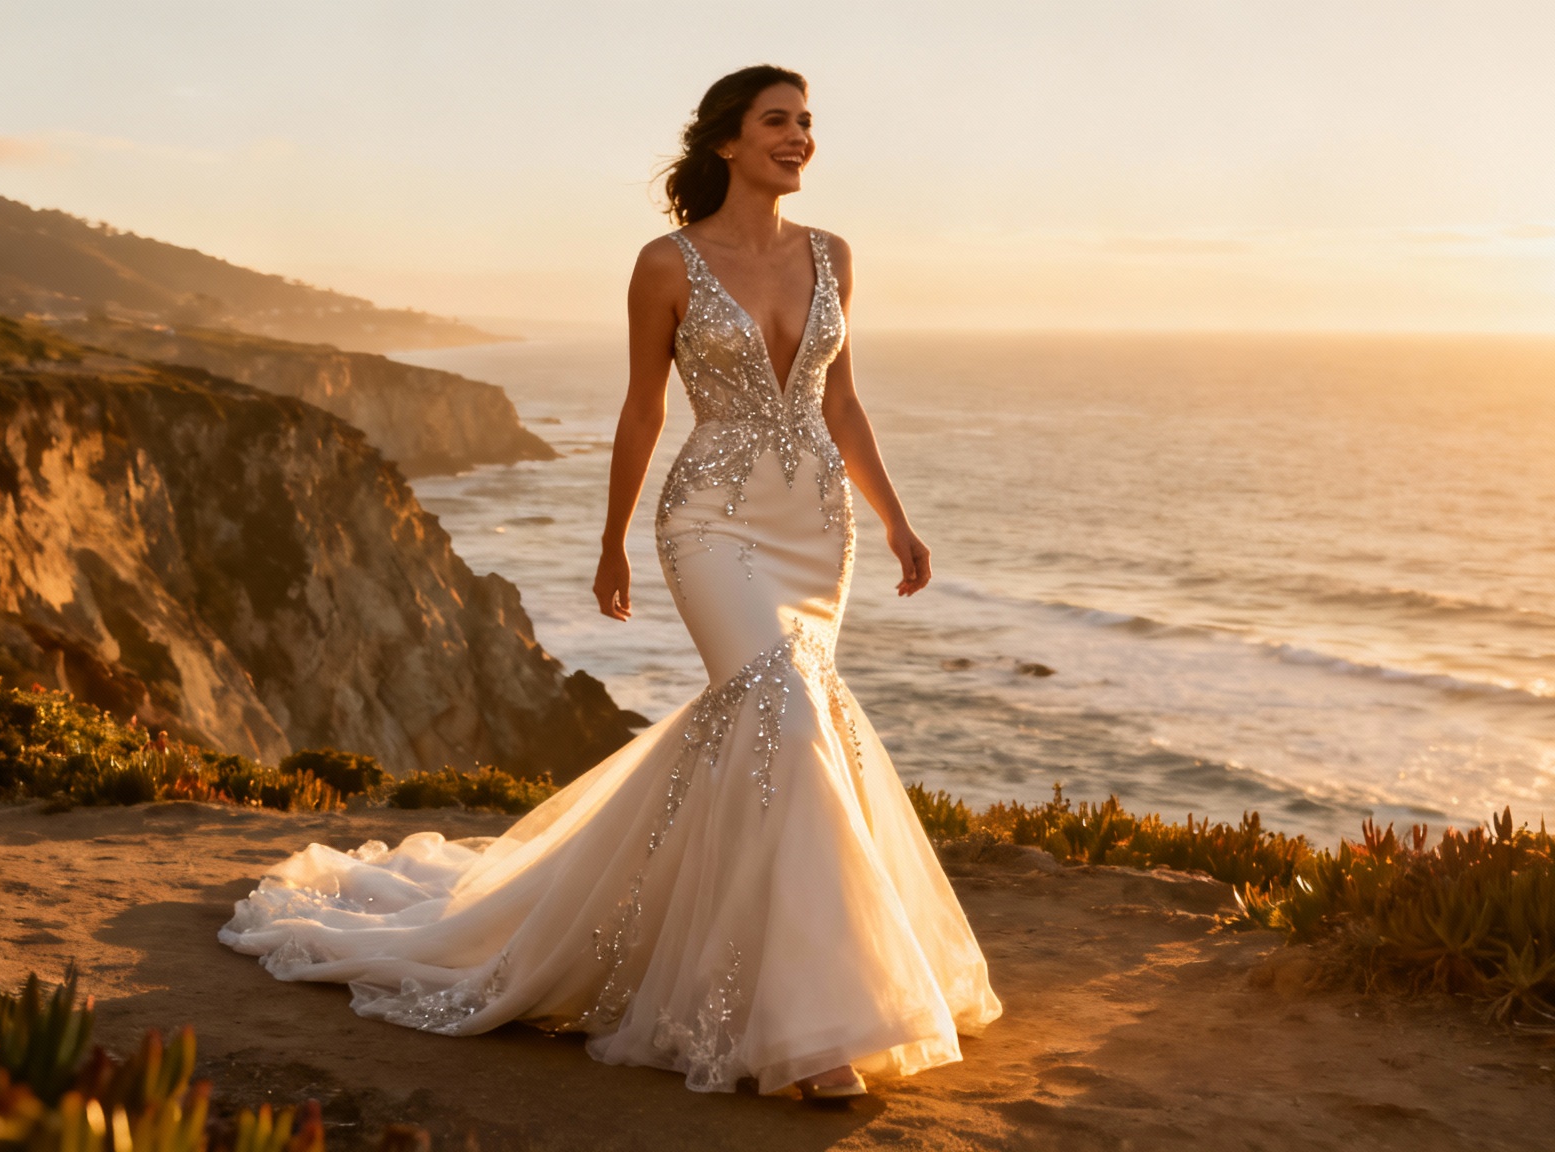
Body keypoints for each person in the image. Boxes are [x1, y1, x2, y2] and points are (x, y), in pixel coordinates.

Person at [220, 64, 1002, 1102]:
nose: (799, 137)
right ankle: (812, 1035)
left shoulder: (833, 256)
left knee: (775, 728)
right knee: (780, 705)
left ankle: (782, 989)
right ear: (726, 141)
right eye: (778, 121)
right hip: (711, 521)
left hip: (817, 525)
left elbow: (842, 402)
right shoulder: (664, 264)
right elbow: (642, 411)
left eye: (807, 123)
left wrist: (897, 519)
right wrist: (612, 540)